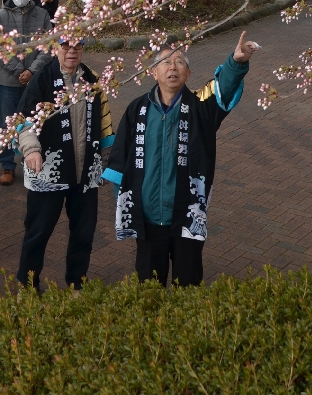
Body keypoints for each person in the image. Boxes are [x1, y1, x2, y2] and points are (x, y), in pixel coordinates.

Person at [104, 32, 258, 287]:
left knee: (188, 281)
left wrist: (236, 62)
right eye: (165, 62)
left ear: (188, 73)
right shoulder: (137, 109)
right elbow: (119, 160)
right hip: (148, 214)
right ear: (153, 72)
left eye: (179, 62)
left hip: (188, 213)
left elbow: (224, 88)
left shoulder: (200, 106)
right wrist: (126, 206)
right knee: (148, 284)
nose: (172, 67)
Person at [16, 39, 114, 290]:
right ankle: (27, 286)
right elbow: (24, 120)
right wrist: (32, 149)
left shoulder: (92, 80)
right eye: (66, 45)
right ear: (55, 48)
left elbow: (104, 125)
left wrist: (105, 163)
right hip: (49, 171)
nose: (72, 51)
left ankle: (76, 283)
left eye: (78, 46)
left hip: (85, 172)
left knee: (84, 232)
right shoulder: (42, 79)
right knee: (38, 232)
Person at [0, 0, 52, 186]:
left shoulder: (42, 14)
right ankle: (7, 166)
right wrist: (20, 71)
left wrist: (32, 71)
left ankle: (35, 160)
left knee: (36, 121)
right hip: (8, 81)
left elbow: (48, 46)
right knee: (7, 123)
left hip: (35, 81)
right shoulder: (0, 16)